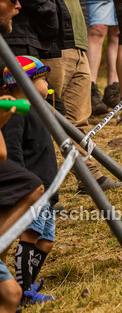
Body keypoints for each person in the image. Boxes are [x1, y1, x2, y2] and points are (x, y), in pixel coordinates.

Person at [36, 0, 121, 191]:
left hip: (77, 43)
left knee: (78, 119)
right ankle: (40, 189)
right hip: (54, 47)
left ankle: (89, 177)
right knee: (45, 121)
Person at [1, 55, 58, 306]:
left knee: (46, 241)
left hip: (49, 189)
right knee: (30, 234)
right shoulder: (17, 113)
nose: (47, 84)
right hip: (33, 188)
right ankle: (23, 291)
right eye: (43, 79)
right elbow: (11, 152)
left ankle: (28, 285)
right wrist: (24, 185)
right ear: (23, 83)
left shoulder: (41, 110)